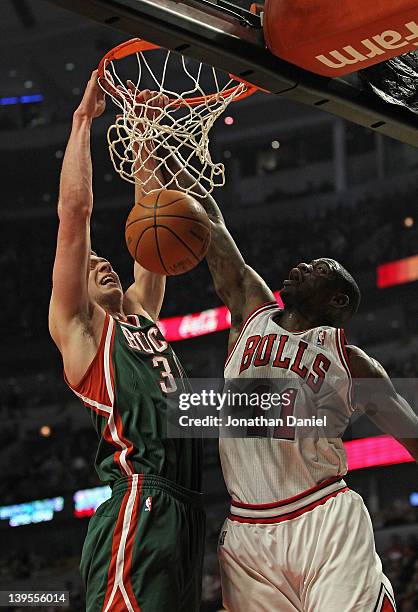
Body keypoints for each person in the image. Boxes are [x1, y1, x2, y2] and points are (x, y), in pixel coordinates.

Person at [161, 156, 418, 610]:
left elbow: (412, 433)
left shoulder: (351, 362)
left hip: (323, 516)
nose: (302, 265)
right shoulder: (251, 310)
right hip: (247, 532)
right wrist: (163, 157)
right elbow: (212, 222)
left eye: (318, 268)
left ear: (336, 299)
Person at [49, 72, 205, 612]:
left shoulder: (141, 311)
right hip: (140, 503)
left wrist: (141, 134)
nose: (102, 261)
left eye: (104, 258)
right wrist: (83, 121)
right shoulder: (82, 331)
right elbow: (75, 218)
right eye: (91, 266)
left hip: (186, 508)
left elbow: (151, 215)